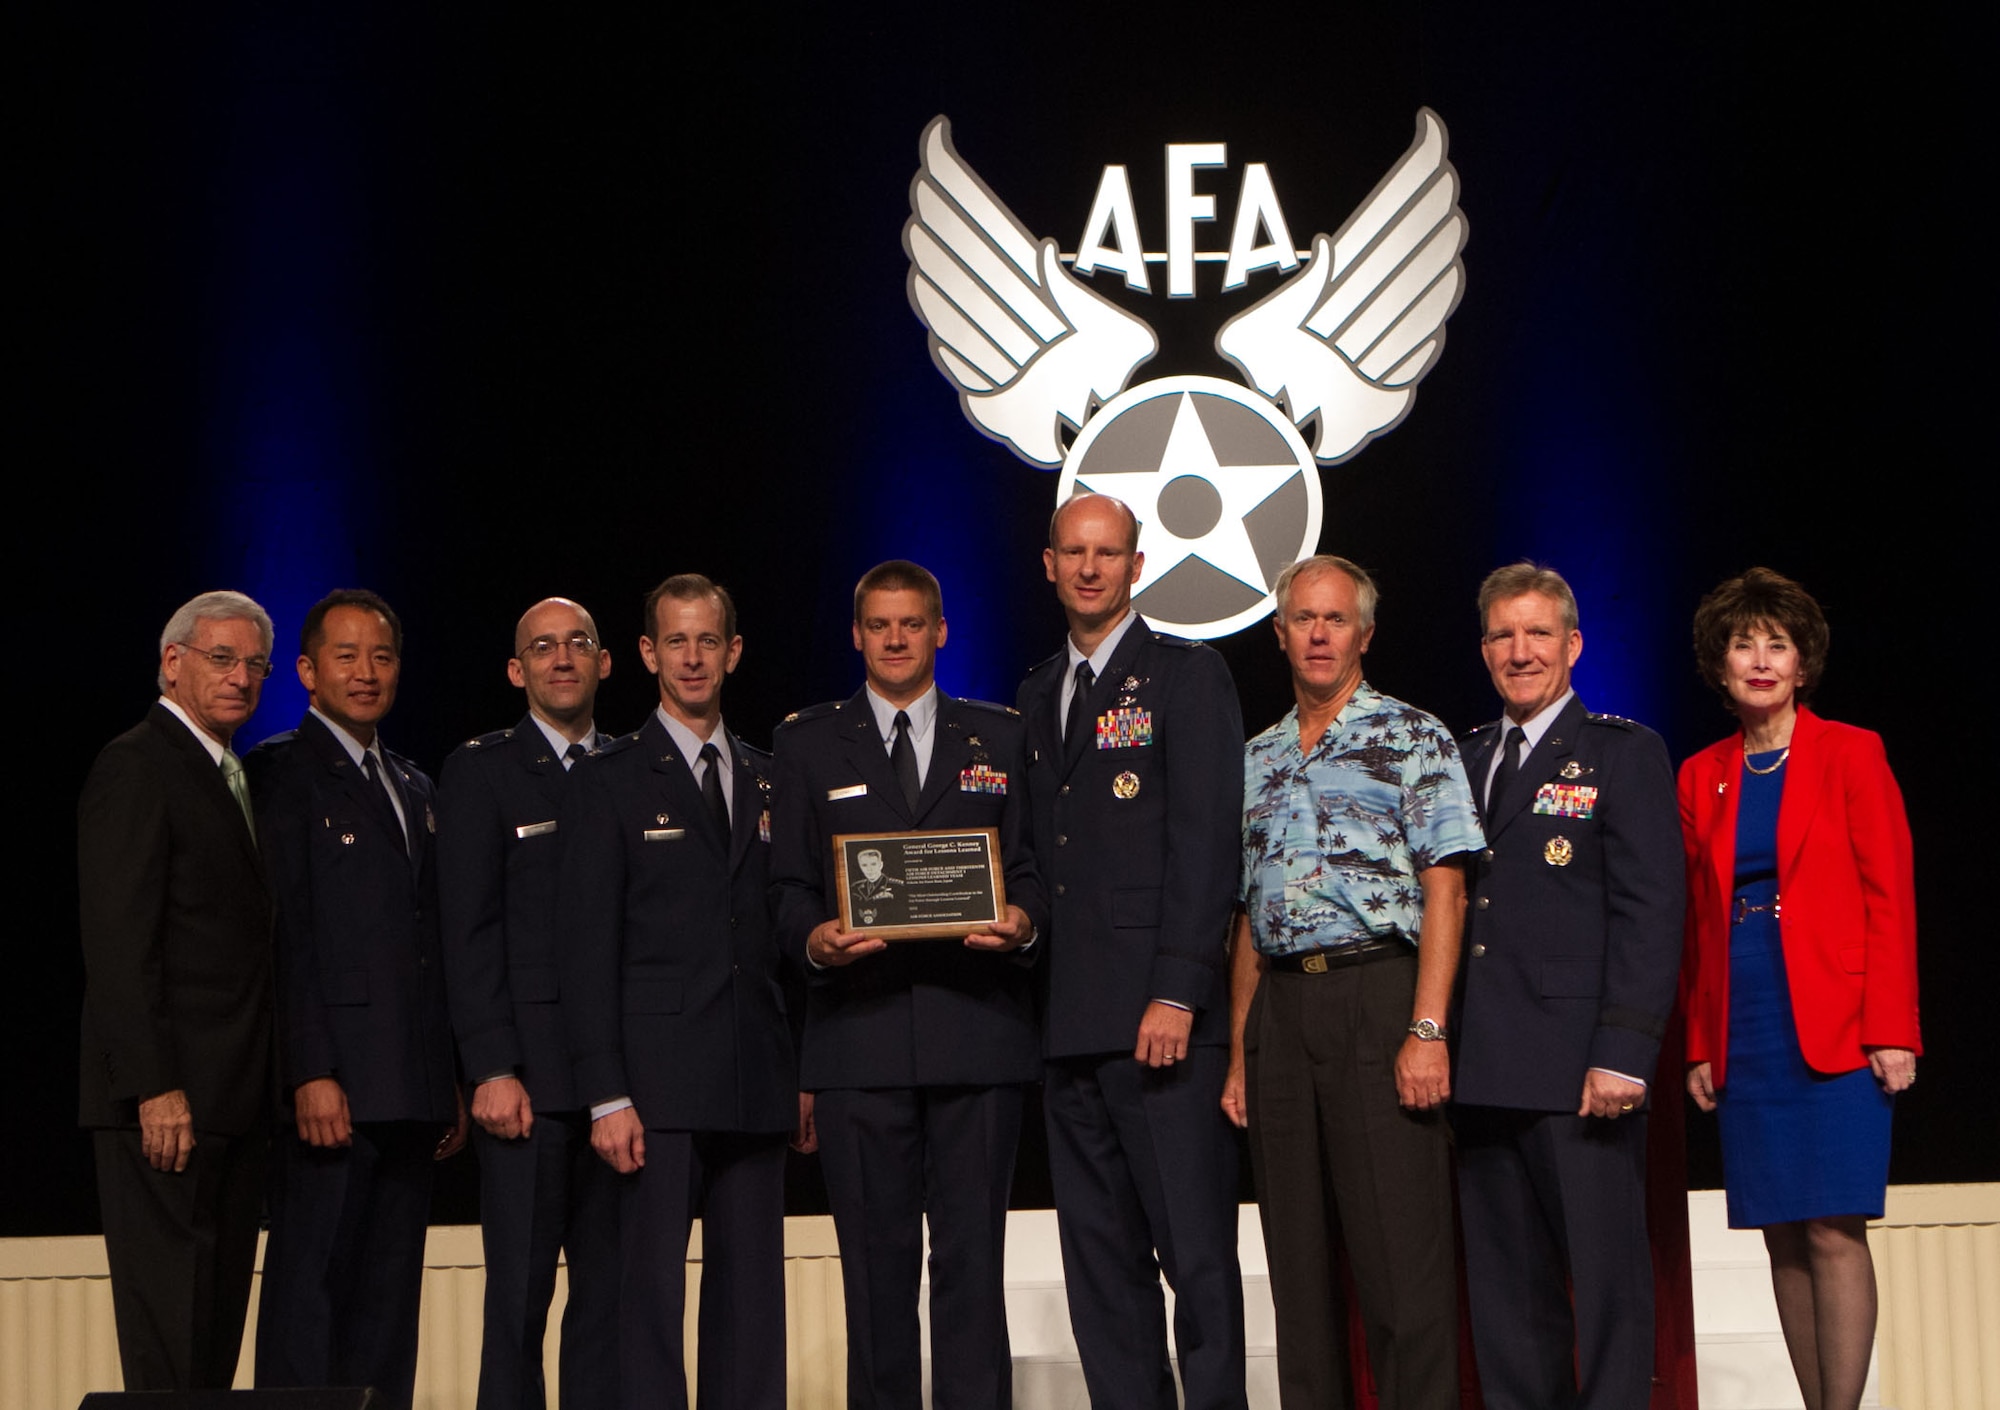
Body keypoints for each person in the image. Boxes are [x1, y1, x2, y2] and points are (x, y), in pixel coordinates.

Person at [770, 559, 1043, 1409]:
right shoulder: (808, 742)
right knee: (876, 1279)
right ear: (856, 635)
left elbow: (1031, 868)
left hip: (978, 1037)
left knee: (972, 1270)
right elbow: (785, 889)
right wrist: (814, 940)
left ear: (940, 633)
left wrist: (1024, 923)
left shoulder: (998, 735)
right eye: (879, 625)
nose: (895, 639)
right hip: (858, 1042)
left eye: (912, 624)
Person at [1220, 555, 1483, 1410]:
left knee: (1402, 1268)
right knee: (1296, 1274)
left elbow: (1447, 886)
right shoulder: (1253, 759)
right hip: (1282, 1014)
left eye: (1336, 619)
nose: (1320, 633)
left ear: (1364, 633)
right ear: (1280, 634)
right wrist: (1238, 1054)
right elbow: (1249, 919)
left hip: (1381, 997)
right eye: (1304, 618)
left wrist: (1429, 1028)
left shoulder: (1413, 735)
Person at [1018, 494, 1247, 1410]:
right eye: (1073, 552)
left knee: (1194, 1255)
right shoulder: (1036, 691)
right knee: (1101, 1268)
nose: (1088, 569)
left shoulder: (1187, 678)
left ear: (1136, 565)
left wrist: (1180, 994)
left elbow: (1206, 848)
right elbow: (1038, 855)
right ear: (1048, 564)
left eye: (1106, 553)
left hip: (1163, 1026)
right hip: (1067, 1021)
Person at [1678, 567, 1919, 1410]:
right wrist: (1701, 1043)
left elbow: (1890, 895)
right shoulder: (1699, 773)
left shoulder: (1852, 751)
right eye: (1744, 644)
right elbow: (1699, 925)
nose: (1760, 659)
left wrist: (1893, 1027)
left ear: (1803, 663)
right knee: (1781, 1233)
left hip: (1839, 1019)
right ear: (1720, 664)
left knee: (1832, 1226)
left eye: (1776, 644)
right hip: (1745, 1017)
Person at [559, 575, 797, 1410]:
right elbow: (584, 952)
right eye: (676, 642)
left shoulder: (774, 778)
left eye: (709, 642)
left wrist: (798, 1076)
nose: (693, 659)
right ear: (649, 655)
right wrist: (604, 1094)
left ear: (733, 653)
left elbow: (779, 938)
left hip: (755, 1078)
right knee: (647, 1307)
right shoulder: (607, 778)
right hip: (652, 1089)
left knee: (752, 1312)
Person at [1452, 562, 1684, 1410]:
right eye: (1504, 636)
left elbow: (1652, 912)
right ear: (1484, 650)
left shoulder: (1622, 753)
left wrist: (1625, 1052)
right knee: (1508, 1302)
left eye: (1538, 633)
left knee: (1609, 1287)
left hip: (1581, 1069)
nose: (1521, 652)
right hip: (1483, 1068)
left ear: (1574, 644)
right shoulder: (1465, 757)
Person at [250, 589, 466, 1410]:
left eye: (380, 656)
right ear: (307, 670)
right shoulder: (279, 772)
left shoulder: (414, 782)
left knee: (386, 1314)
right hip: (331, 1088)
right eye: (346, 655)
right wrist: (310, 1068)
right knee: (310, 1304)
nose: (365, 672)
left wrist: (444, 1070)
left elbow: (429, 940)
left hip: (409, 1090)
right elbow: (285, 932)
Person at [77, 591, 277, 1391]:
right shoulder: (136, 762)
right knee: (168, 1355)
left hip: (231, 1102)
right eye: (220, 659)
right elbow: (120, 944)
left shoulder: (233, 772)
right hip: (164, 1107)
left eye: (253, 665)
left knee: (210, 1352)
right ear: (173, 662)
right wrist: (156, 1086)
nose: (239, 679)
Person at [438, 598, 621, 1410]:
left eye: (577, 643)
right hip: (527, 1085)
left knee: (607, 1308)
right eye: (542, 648)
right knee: (518, 1301)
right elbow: (467, 931)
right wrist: (490, 1066)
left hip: (619, 1087)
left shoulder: (631, 765)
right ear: (517, 671)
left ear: (606, 662)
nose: (561, 658)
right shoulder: (481, 771)